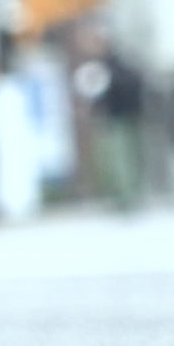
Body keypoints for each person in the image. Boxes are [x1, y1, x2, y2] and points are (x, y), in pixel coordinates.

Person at [72, 20, 146, 213]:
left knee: (122, 159)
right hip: (115, 116)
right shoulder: (107, 63)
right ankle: (121, 197)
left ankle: (127, 198)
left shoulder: (114, 63)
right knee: (115, 159)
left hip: (120, 116)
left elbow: (119, 87)